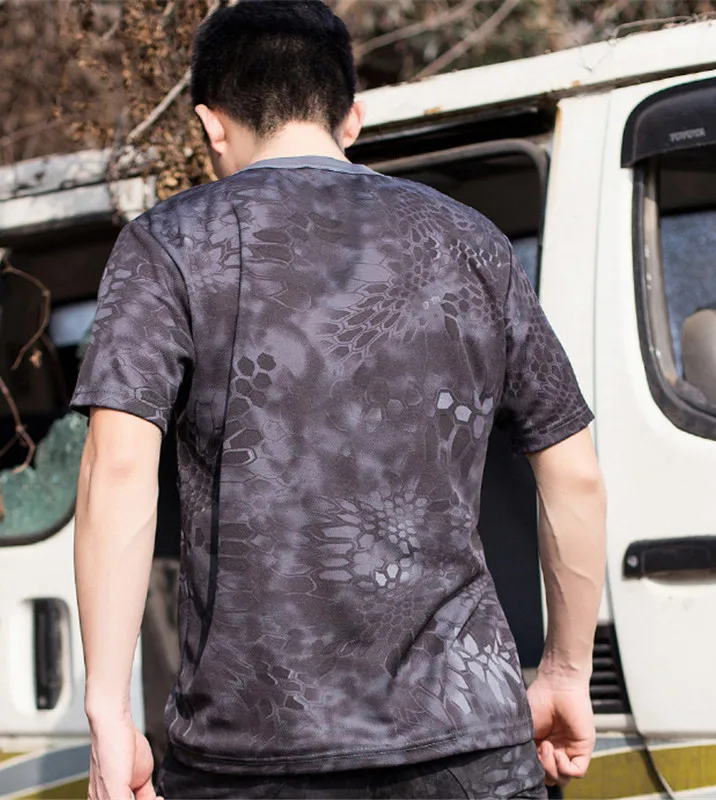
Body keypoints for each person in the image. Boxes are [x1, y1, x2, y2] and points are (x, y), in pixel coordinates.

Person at [71, 1, 607, 798]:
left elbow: (117, 470)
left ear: (211, 126)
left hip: (250, 756)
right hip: (466, 743)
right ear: (352, 117)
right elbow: (575, 475)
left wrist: (109, 712)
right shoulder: (471, 241)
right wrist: (565, 670)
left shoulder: (169, 244)